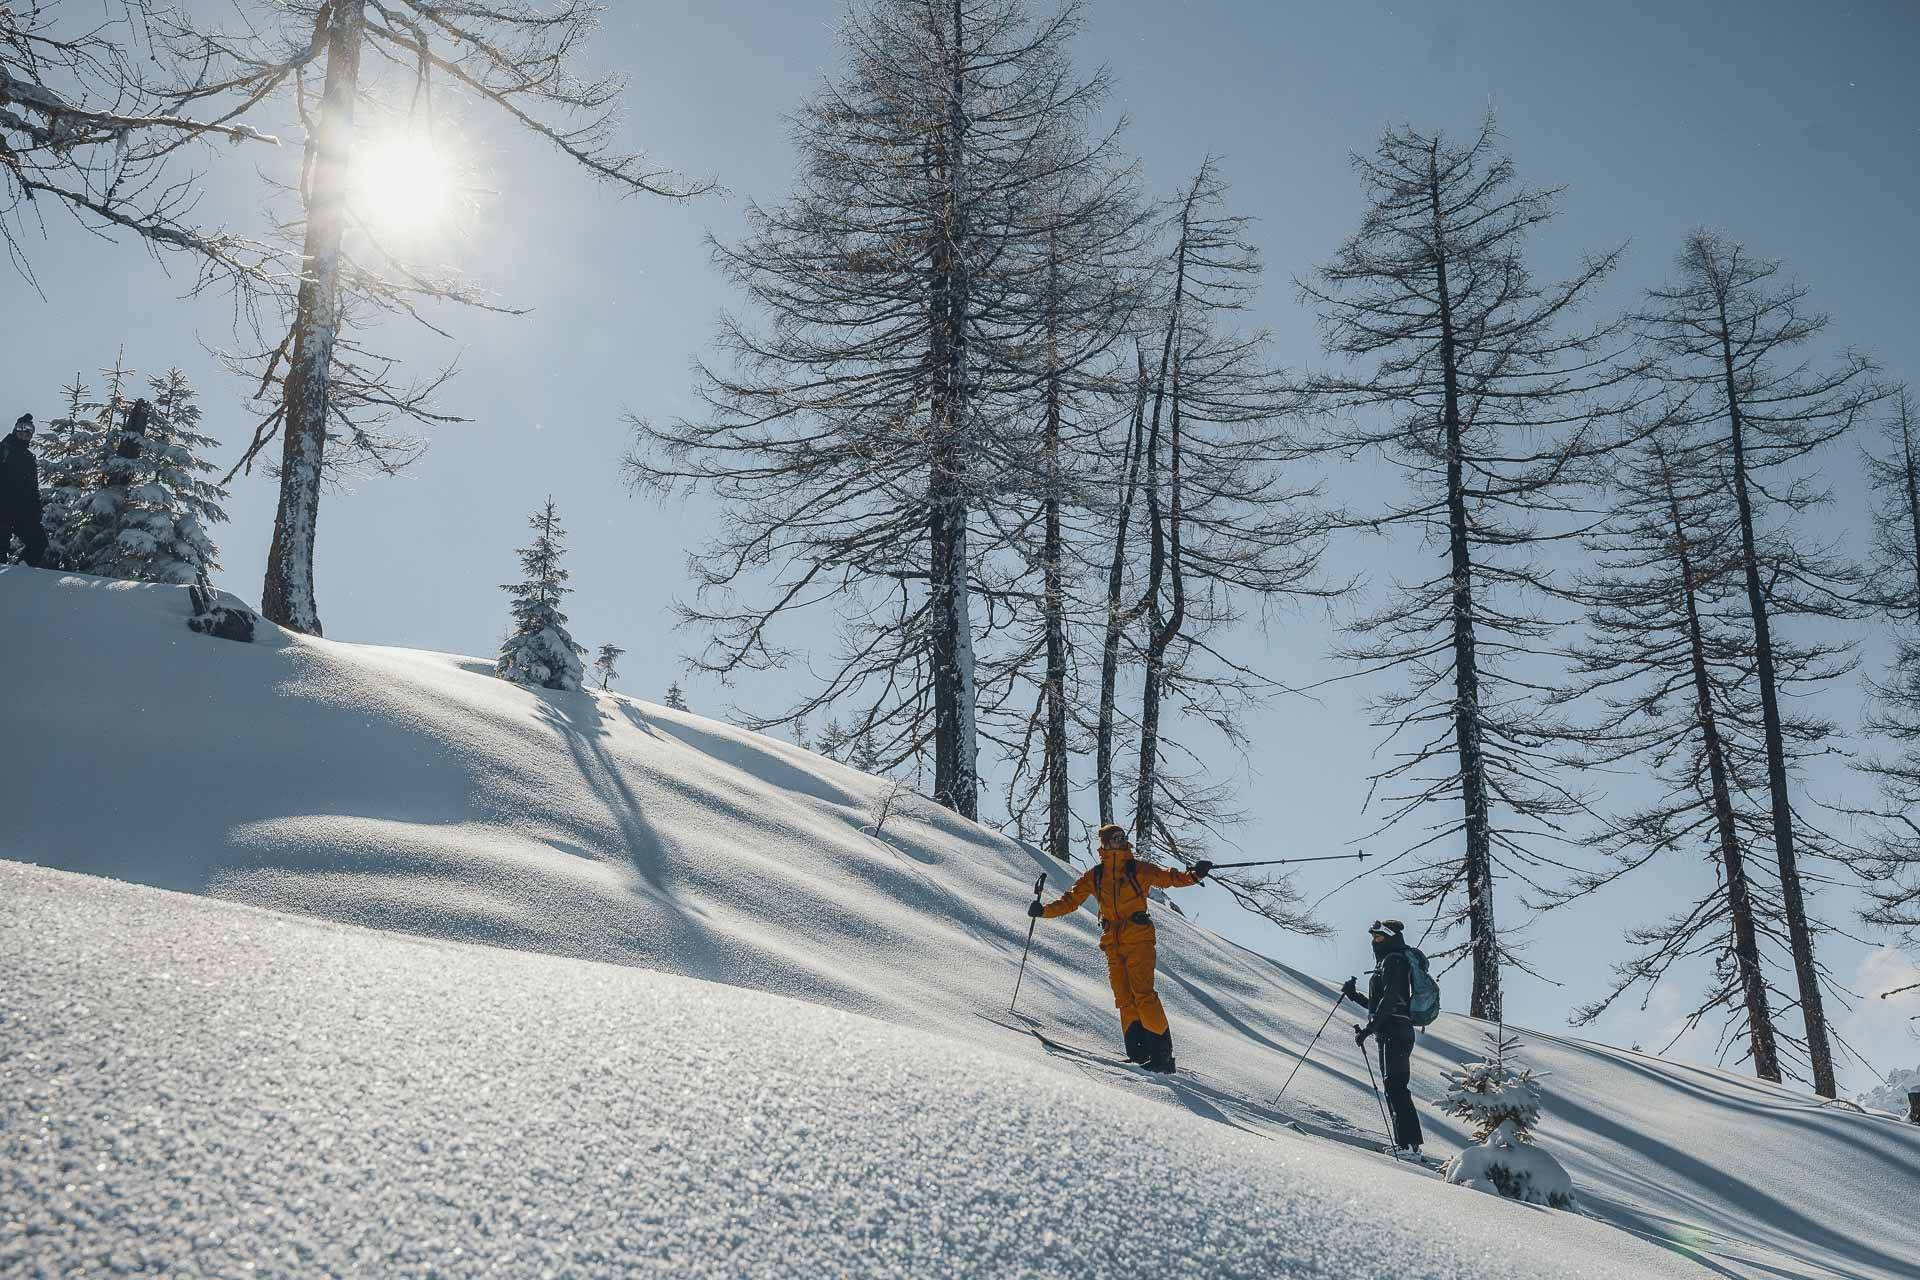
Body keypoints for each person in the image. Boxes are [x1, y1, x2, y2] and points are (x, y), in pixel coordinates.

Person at [1028, 823, 1210, 1073]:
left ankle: (1162, 1057)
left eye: (1122, 837)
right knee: (1124, 997)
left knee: (1143, 994)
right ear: (1104, 843)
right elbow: (1071, 900)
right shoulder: (1096, 875)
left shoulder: (1138, 869)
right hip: (1112, 941)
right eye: (1115, 838)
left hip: (1138, 937)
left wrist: (1195, 875)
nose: (1121, 840)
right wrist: (1044, 911)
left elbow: (1169, 878)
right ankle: (1139, 1054)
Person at [1341, 919, 1424, 1154]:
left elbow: (1390, 1001)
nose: (1374, 942)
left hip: (1395, 1032)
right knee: (1393, 1086)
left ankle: (1409, 1145)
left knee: (1396, 1086)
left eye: (1379, 937)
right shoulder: (1388, 962)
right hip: (1392, 1031)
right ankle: (1407, 1144)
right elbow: (1380, 1005)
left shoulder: (1394, 961)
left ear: (1390, 938)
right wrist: (1354, 996)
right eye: (1373, 938)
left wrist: (1369, 1029)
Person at [0, 413, 47, 569]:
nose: (25, 432)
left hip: (22, 510)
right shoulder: (3, 449)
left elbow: (33, 488)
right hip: (3, 508)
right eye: (21, 428)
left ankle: (20, 572)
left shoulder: (29, 458)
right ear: (15, 430)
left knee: (38, 542)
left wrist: (36, 509)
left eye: (29, 430)